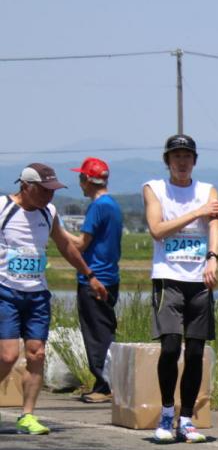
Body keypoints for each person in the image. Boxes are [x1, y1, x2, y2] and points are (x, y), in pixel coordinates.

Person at [0, 163, 108, 434]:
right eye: (44, 190)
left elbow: (65, 246)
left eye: (53, 191)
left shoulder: (49, 213)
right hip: (6, 292)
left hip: (36, 294)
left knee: (37, 353)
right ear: (26, 186)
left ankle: (27, 415)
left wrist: (90, 275)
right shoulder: (3, 208)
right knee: (8, 355)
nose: (50, 196)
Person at [143, 134, 218, 444]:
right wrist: (196, 213)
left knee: (196, 352)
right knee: (171, 347)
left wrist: (213, 257)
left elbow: (215, 225)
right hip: (168, 278)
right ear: (167, 160)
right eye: (176, 156)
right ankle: (166, 414)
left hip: (199, 280)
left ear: (194, 161)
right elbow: (157, 229)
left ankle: (187, 419)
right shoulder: (155, 189)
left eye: (187, 156)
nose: (181, 161)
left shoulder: (207, 190)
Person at [71, 157, 123, 403]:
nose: (80, 184)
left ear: (87, 180)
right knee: (105, 329)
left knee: (96, 333)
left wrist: (57, 232)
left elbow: (82, 243)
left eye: (81, 178)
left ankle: (105, 385)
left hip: (94, 278)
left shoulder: (97, 206)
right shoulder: (113, 205)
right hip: (110, 276)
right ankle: (105, 381)